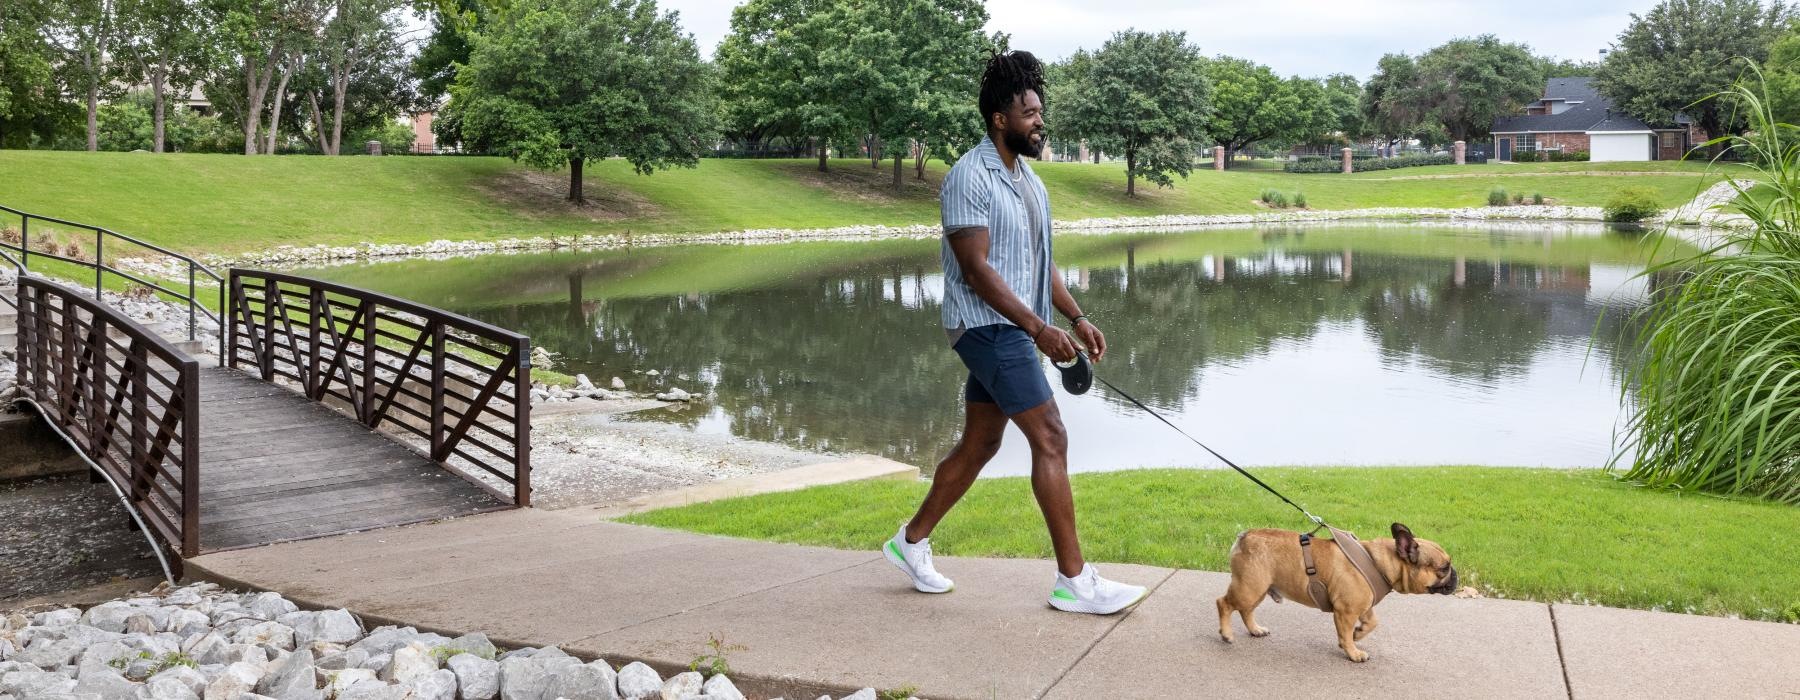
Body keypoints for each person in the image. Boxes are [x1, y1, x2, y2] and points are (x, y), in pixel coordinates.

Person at [881, 50, 1148, 615]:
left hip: (1015, 327)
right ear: (1000, 119)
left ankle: (909, 542)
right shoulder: (966, 177)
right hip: (982, 326)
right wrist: (1039, 330)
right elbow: (977, 271)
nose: (1039, 121)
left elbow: (1037, 262)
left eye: (1039, 111)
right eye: (1029, 112)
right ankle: (1074, 582)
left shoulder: (1030, 181)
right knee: (1050, 435)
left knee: (982, 443)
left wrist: (1075, 317)